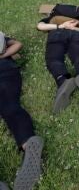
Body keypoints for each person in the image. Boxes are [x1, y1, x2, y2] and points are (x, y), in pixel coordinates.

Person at [0, 34, 44, 189]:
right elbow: (17, 44)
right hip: (5, 68)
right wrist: (4, 55)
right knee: (10, 105)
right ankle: (28, 142)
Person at [37, 5, 79, 114]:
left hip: (57, 32)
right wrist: (78, 29)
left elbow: (40, 26)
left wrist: (60, 26)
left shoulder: (53, 18)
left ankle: (63, 79)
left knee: (54, 59)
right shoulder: (77, 20)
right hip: (77, 34)